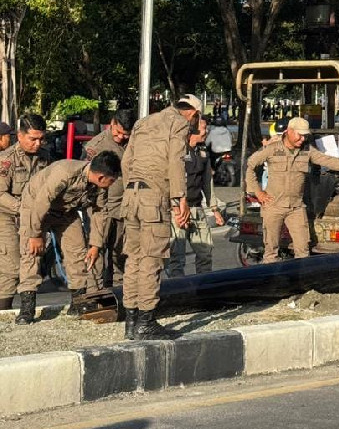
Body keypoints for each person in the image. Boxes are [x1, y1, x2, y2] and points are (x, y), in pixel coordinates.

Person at [121, 95, 200, 340]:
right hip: (154, 198)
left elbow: (126, 162)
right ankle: (146, 322)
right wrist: (180, 199)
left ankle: (131, 323)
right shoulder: (179, 123)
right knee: (151, 260)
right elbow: (176, 162)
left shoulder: (143, 122)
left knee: (133, 259)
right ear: (193, 113)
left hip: (131, 196)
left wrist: (131, 190)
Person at [14, 152, 121, 324]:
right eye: (112, 180)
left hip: (65, 212)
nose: (112, 184)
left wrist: (95, 244)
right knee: (31, 254)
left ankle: (78, 303)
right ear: (101, 177)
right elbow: (42, 201)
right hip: (35, 206)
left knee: (78, 252)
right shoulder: (65, 172)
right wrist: (35, 234)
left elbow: (100, 213)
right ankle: (27, 309)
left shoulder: (100, 188)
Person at [245, 117, 339, 264]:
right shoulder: (272, 148)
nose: (302, 139)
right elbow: (250, 165)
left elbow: (326, 160)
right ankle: (272, 283)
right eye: (299, 135)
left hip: (296, 207)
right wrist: (258, 192)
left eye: (305, 135)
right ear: (289, 131)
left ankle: (301, 283)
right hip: (273, 206)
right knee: (271, 252)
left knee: (303, 250)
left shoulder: (307, 150)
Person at [0, 114, 50, 311]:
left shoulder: (45, 157)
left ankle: (26, 308)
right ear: (20, 136)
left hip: (34, 218)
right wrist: (23, 209)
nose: (37, 144)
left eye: (41, 139)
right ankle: (4, 312)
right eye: (33, 139)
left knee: (33, 261)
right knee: (11, 267)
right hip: (8, 216)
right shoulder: (6, 160)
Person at [82, 109, 136, 288]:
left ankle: (118, 291)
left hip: (123, 207)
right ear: (111, 123)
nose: (120, 137)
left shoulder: (133, 143)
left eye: (125, 134)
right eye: (117, 132)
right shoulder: (95, 146)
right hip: (99, 207)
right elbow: (86, 176)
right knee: (96, 249)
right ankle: (93, 292)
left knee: (119, 253)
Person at [167, 117, 225, 277]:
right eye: (204, 128)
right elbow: (168, 181)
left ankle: (203, 287)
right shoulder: (177, 150)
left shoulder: (203, 151)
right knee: (177, 258)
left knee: (205, 252)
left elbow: (207, 182)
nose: (206, 132)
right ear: (192, 129)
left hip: (197, 209)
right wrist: (175, 207)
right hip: (177, 211)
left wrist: (215, 209)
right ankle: (178, 291)